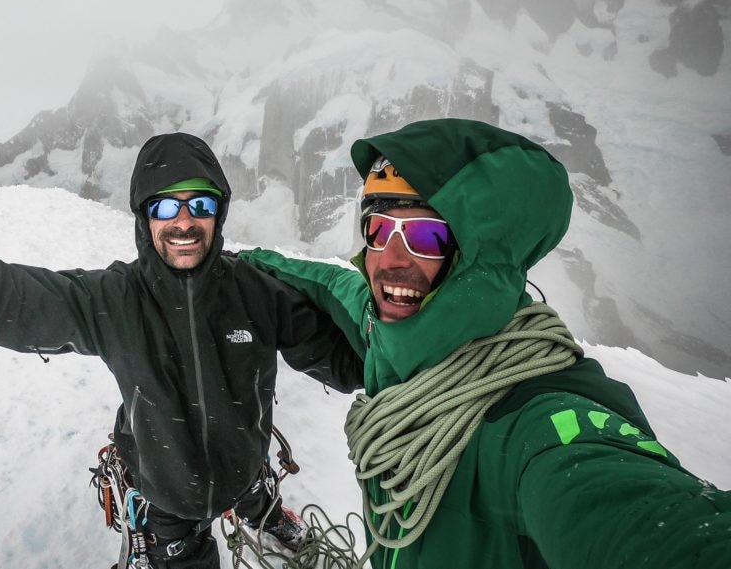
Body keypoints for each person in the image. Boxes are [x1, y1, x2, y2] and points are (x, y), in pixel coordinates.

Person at [0, 102, 364, 568]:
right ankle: (232, 514)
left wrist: (407, 344)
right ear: (144, 217)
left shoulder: (260, 292)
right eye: (166, 205)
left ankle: (258, 506)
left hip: (243, 466)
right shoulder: (113, 300)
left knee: (247, 482)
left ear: (219, 212)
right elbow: (5, 299)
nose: (184, 220)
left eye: (200, 204)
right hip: (166, 496)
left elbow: (341, 361)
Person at [239, 118, 731, 568]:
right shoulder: (392, 330)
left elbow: (640, 519)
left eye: (426, 236)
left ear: (478, 257)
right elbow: (332, 284)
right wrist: (242, 262)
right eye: (378, 230)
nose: (389, 259)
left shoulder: (539, 428)